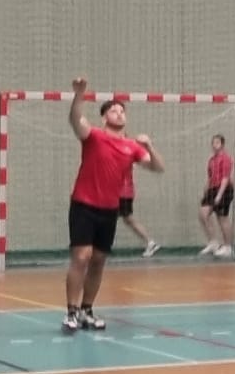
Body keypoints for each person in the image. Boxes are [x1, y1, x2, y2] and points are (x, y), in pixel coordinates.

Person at [64, 79, 162, 333]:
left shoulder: (132, 147)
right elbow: (75, 120)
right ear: (104, 117)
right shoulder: (94, 136)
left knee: (98, 260)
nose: (119, 113)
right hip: (84, 204)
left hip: (109, 209)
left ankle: (86, 310)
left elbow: (157, 168)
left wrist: (149, 146)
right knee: (81, 256)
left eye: (122, 111)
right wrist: (79, 95)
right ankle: (71, 312)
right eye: (113, 110)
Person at [197, 134, 235, 259]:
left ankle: (228, 247)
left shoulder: (226, 159)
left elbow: (225, 178)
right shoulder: (211, 160)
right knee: (203, 214)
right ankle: (213, 242)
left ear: (222, 144)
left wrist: (219, 195)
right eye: (213, 143)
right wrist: (205, 192)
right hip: (212, 189)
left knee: (222, 218)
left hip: (224, 189)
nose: (214, 145)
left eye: (217, 142)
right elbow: (210, 178)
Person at [116, 149, 158, 259]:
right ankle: (150, 242)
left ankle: (150, 243)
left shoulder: (122, 156)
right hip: (122, 193)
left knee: (126, 219)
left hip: (122, 193)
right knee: (126, 219)